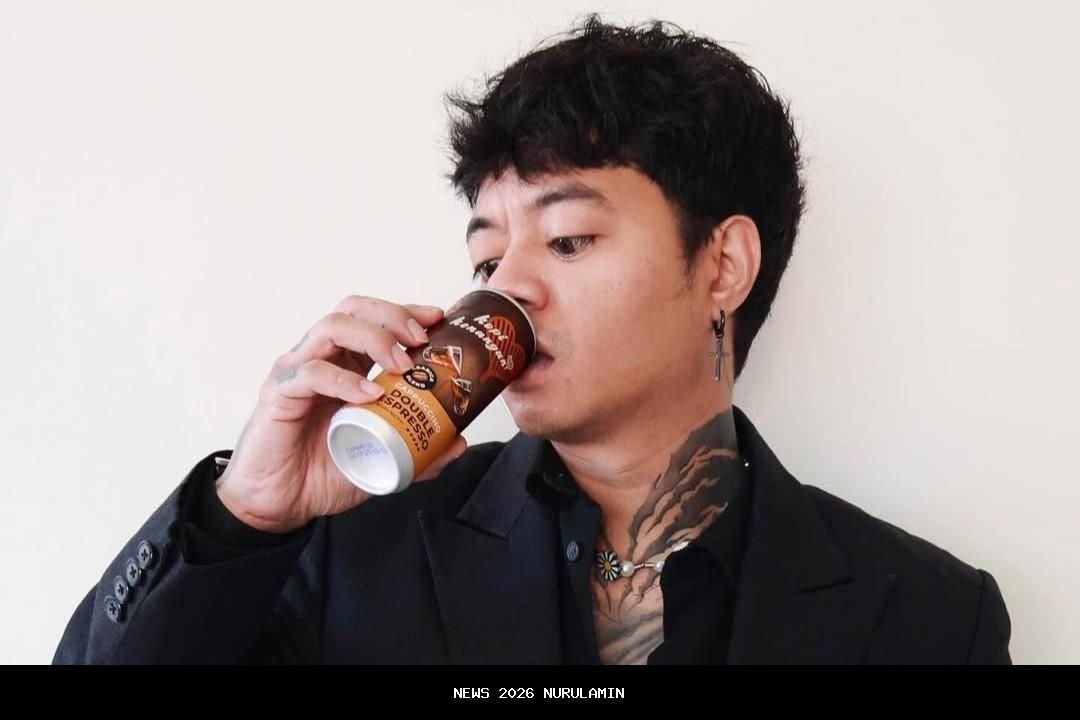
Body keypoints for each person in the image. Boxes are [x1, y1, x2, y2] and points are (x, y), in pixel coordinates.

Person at [53, 15, 1011, 665]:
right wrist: (245, 517)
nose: (506, 286)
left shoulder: (929, 616)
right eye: (486, 257)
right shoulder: (351, 550)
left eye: (568, 240)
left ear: (723, 266)